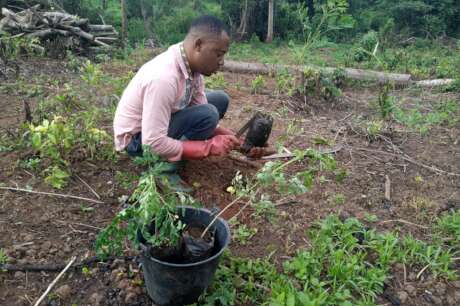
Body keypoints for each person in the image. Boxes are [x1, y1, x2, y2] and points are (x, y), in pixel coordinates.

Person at [113, 15, 263, 190]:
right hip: (137, 142)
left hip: (158, 124)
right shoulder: (163, 78)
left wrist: (232, 138)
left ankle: (178, 151)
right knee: (209, 113)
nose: (221, 62)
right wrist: (208, 147)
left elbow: (201, 112)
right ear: (198, 45)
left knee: (219, 100)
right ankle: (164, 170)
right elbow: (152, 142)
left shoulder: (192, 68)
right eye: (218, 54)